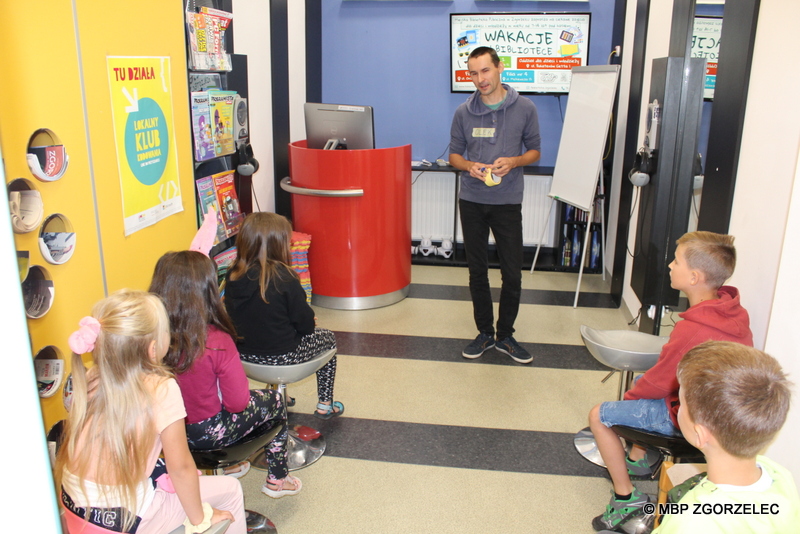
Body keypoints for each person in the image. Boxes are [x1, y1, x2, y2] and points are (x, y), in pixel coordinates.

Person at [588, 231, 754, 531]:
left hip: (688, 416)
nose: (669, 266)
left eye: (676, 261)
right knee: (644, 385)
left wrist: (629, 398)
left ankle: (625, 498)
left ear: (693, 277)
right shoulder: (734, 312)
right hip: (723, 414)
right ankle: (638, 457)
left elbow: (660, 384)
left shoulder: (692, 330)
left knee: (600, 415)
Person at [55, 290, 245, 534]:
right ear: (153, 348)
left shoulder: (93, 375)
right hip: (123, 519)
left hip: (75, 508)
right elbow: (181, 468)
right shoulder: (161, 388)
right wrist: (201, 518)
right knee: (230, 490)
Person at [149, 250, 301, 499]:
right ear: (207, 291)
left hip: (165, 434)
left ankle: (230, 466)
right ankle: (277, 479)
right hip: (208, 434)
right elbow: (237, 402)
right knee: (274, 401)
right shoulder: (216, 340)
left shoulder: (149, 339)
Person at [449, 46, 541, 364]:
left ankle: (506, 335)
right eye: (473, 73)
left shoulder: (525, 108)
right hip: (472, 200)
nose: (480, 79)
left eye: (485, 71)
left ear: (499, 68)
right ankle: (485, 333)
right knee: (477, 272)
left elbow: (535, 151)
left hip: (507, 202)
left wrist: (514, 161)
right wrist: (469, 166)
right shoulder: (464, 112)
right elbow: (454, 156)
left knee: (512, 273)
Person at [653, 341, 800, 532]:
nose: (678, 408)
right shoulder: (779, 476)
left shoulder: (690, 523)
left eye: (680, 403)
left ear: (700, 435)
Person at [224, 212, 344, 419]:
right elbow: (305, 327)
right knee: (328, 340)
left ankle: (279, 396)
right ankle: (325, 404)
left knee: (265, 333)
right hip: (283, 358)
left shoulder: (233, 274)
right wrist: (308, 321)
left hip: (243, 356)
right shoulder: (286, 278)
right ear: (277, 245)